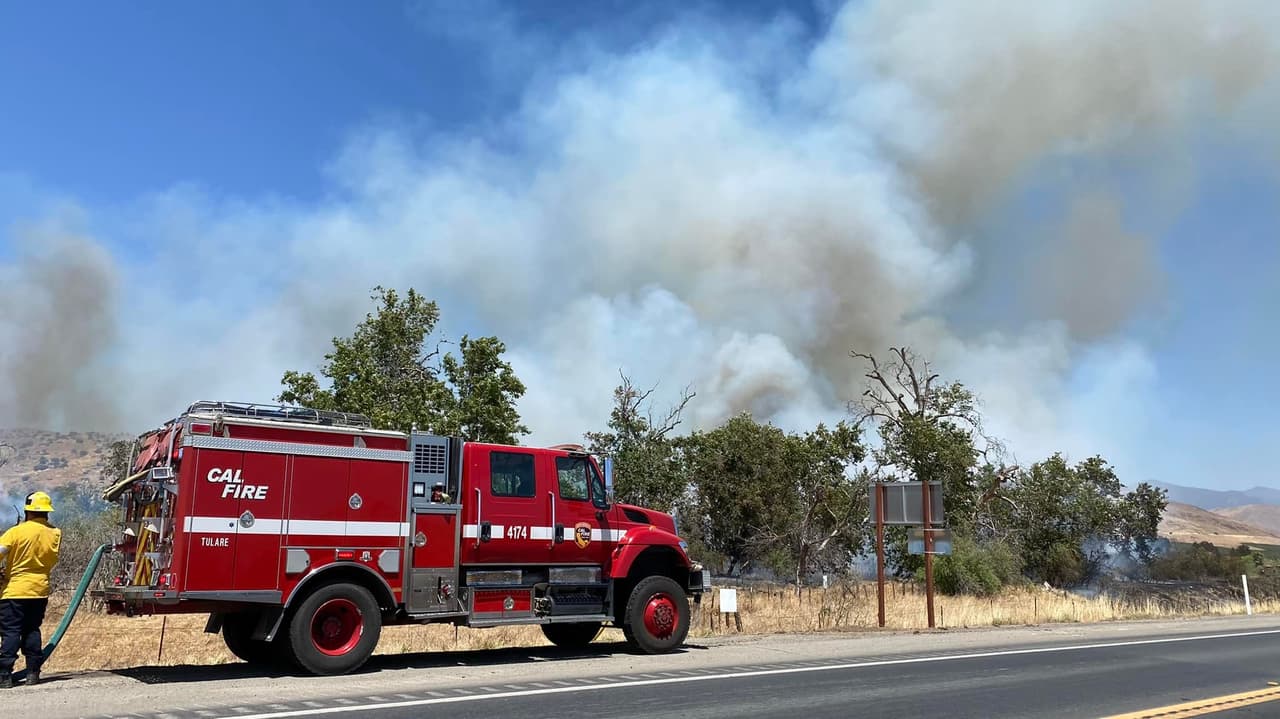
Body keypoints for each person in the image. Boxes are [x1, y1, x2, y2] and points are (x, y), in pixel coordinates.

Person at [0, 491, 61, 689]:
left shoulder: (16, 532)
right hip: (39, 590)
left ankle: (4, 675)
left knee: (10, 631)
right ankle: (33, 672)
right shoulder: (55, 533)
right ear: (46, 513)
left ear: (27, 511)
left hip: (14, 590)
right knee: (32, 629)